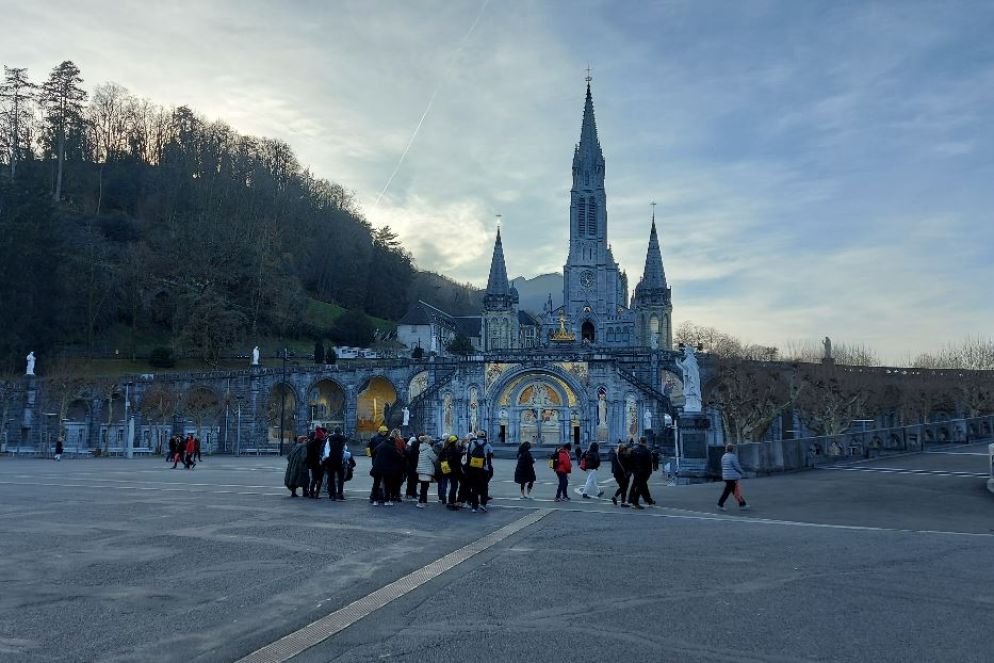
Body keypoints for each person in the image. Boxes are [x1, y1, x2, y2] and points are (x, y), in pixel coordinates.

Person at [371, 430, 402, 506]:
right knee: (387, 484)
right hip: (387, 468)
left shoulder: (382, 444)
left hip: (377, 466)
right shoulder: (392, 447)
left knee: (376, 484)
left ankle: (375, 501)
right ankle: (387, 500)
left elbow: (374, 451)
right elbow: (398, 457)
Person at [464, 433, 493, 513]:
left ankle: (474, 507)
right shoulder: (487, 445)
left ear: (477, 437)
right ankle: (483, 504)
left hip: (473, 468)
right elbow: (490, 455)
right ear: (484, 437)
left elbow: (468, 455)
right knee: (484, 487)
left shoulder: (472, 443)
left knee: (474, 488)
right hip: (484, 469)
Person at [718, 444, 749, 510]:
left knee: (733, 491)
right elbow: (737, 467)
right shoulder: (733, 456)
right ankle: (720, 504)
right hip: (732, 477)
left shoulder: (723, 456)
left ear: (726, 449)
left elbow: (722, 466)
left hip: (725, 476)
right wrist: (742, 472)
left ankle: (742, 504)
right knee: (730, 491)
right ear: (732, 449)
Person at [628, 437, 654, 509]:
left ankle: (649, 501)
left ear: (639, 441)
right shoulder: (647, 451)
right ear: (645, 442)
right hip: (644, 472)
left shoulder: (634, 450)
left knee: (642, 486)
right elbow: (649, 463)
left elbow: (630, 460)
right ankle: (635, 503)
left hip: (636, 471)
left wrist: (632, 469)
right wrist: (649, 472)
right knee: (640, 487)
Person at [322, 427, 348, 500]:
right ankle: (340, 494)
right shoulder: (343, 438)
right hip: (339, 460)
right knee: (341, 478)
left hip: (331, 459)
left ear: (334, 431)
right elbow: (345, 448)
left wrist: (326, 458)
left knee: (331, 478)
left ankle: (332, 494)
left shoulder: (329, 438)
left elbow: (327, 450)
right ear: (340, 432)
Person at [367, 426, 391, 503]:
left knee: (376, 481)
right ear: (382, 432)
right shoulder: (384, 440)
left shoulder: (373, 438)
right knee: (383, 481)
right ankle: (381, 496)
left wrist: (371, 456)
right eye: (385, 431)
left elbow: (369, 449)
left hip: (375, 461)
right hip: (383, 462)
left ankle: (373, 497)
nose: (386, 432)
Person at [441, 435, 464, 509]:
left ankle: (452, 502)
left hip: (450, 471)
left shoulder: (448, 448)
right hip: (454, 471)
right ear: (455, 441)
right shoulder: (453, 449)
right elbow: (456, 458)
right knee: (454, 487)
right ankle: (451, 502)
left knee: (453, 486)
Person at [415, 435, 437, 508]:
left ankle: (424, 501)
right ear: (428, 441)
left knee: (423, 486)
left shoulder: (421, 448)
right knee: (425, 487)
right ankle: (420, 502)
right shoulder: (429, 449)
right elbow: (434, 459)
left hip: (421, 470)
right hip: (427, 470)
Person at [306, 428, 326, 499]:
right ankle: (316, 494)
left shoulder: (311, 444)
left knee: (314, 479)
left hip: (313, 464)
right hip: (320, 464)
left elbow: (308, 455)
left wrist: (309, 464)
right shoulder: (322, 443)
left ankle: (311, 493)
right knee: (319, 479)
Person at [405, 435, 421, 500]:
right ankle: (413, 494)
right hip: (415, 467)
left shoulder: (409, 451)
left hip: (409, 467)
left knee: (410, 481)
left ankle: (408, 494)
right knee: (414, 482)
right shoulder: (417, 452)